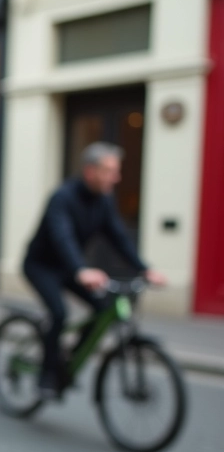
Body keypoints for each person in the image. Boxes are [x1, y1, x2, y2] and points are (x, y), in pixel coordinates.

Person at [23, 142, 166, 398]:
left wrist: (144, 269)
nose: (117, 178)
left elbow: (118, 237)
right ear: (90, 171)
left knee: (102, 309)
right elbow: (61, 236)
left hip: (71, 268)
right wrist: (81, 269)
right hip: (42, 266)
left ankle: (67, 364)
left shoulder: (103, 201)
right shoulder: (63, 197)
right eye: (110, 171)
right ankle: (47, 374)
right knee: (58, 313)